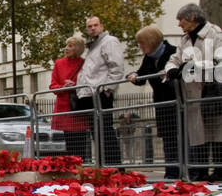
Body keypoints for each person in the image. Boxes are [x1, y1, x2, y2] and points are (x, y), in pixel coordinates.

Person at [164, 3, 222, 181]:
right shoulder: (184, 40)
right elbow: (174, 59)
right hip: (192, 95)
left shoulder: (215, 33)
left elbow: (219, 59)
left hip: (210, 91)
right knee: (198, 136)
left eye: (181, 20)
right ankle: (200, 171)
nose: (179, 24)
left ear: (192, 18)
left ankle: (219, 170)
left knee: (217, 132)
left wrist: (193, 66)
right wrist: (171, 69)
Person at [128, 26, 178, 178]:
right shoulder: (149, 57)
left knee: (179, 136)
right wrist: (134, 75)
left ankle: (185, 170)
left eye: (142, 43)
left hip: (175, 101)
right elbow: (142, 74)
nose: (140, 47)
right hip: (161, 102)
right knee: (168, 137)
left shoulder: (172, 52)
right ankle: (171, 172)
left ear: (150, 42)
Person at [75, 16, 125, 165]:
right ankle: (106, 164)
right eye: (89, 26)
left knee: (105, 132)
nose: (92, 28)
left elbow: (116, 67)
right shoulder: (93, 46)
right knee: (97, 133)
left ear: (101, 26)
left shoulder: (109, 42)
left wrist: (108, 89)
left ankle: (113, 166)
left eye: (95, 25)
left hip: (99, 93)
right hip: (90, 93)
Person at [48, 34, 89, 159]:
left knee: (80, 143)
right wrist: (63, 87)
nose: (66, 48)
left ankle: (80, 168)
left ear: (77, 48)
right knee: (69, 142)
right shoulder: (59, 63)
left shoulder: (84, 63)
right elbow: (52, 86)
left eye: (70, 46)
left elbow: (88, 82)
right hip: (64, 107)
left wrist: (75, 85)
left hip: (78, 106)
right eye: (66, 45)